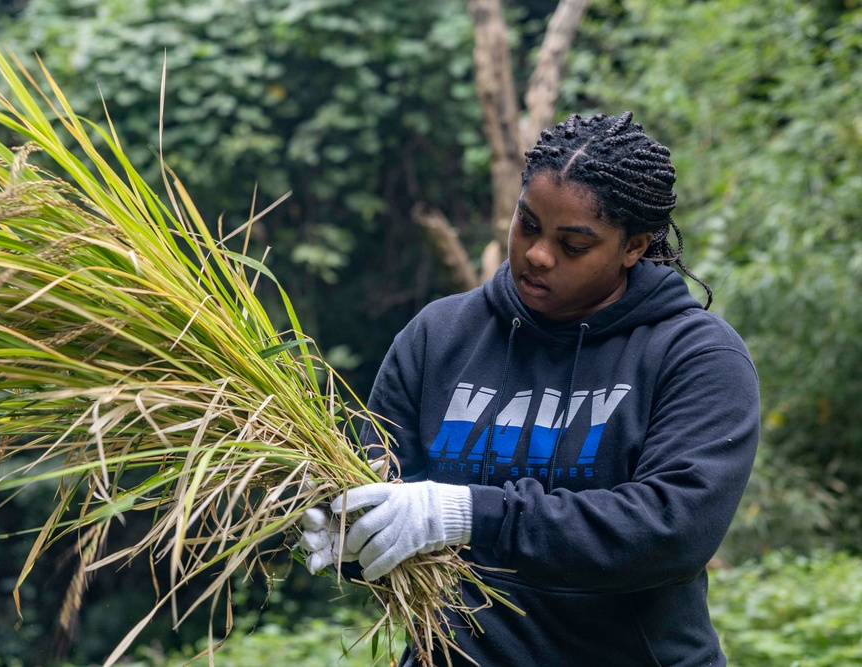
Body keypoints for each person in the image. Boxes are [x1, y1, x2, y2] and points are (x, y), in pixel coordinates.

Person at [301, 111, 759, 666]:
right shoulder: (439, 336)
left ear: (634, 246)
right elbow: (387, 500)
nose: (538, 255)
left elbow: (671, 531)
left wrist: (470, 513)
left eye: (574, 244)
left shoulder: (695, 356)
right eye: (529, 224)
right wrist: (344, 525)